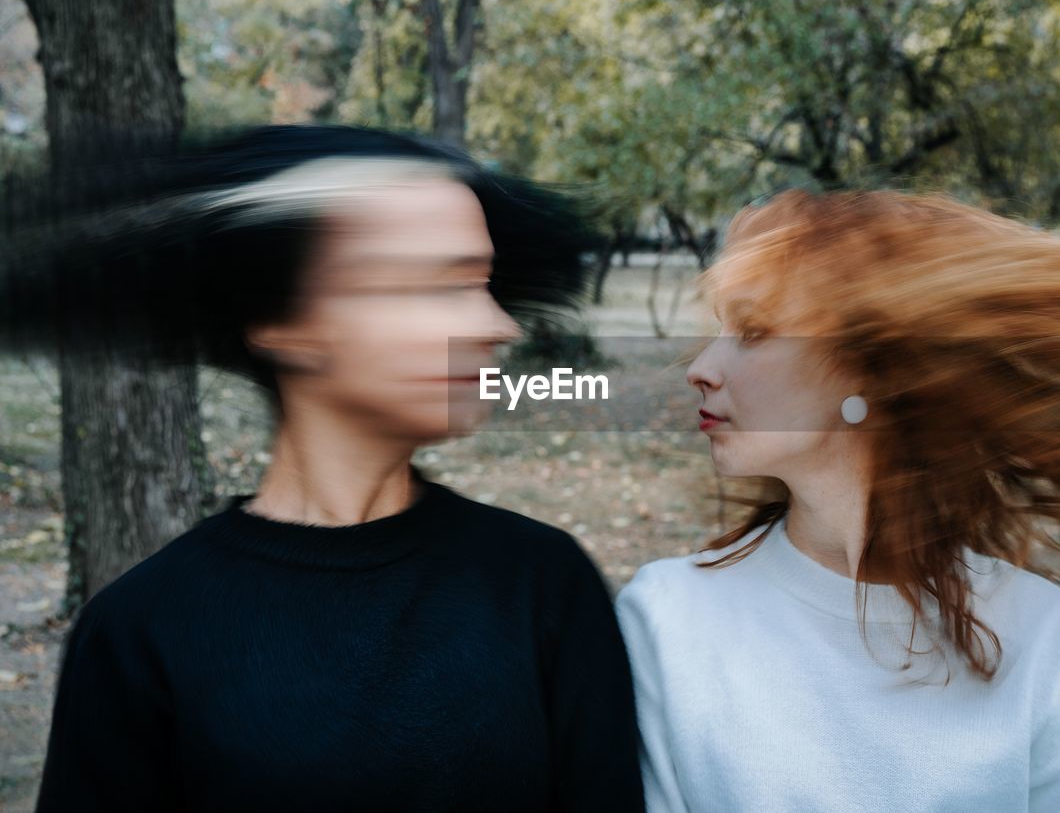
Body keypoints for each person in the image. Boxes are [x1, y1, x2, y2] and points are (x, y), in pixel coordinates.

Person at [4, 125, 643, 811]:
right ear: (284, 323)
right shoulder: (140, 634)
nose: (496, 324)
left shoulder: (543, 587)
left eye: (482, 282)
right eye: (435, 282)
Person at [616, 189, 1060, 812]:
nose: (701, 365)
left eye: (754, 331)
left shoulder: (1052, 645)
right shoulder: (666, 619)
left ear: (871, 366)